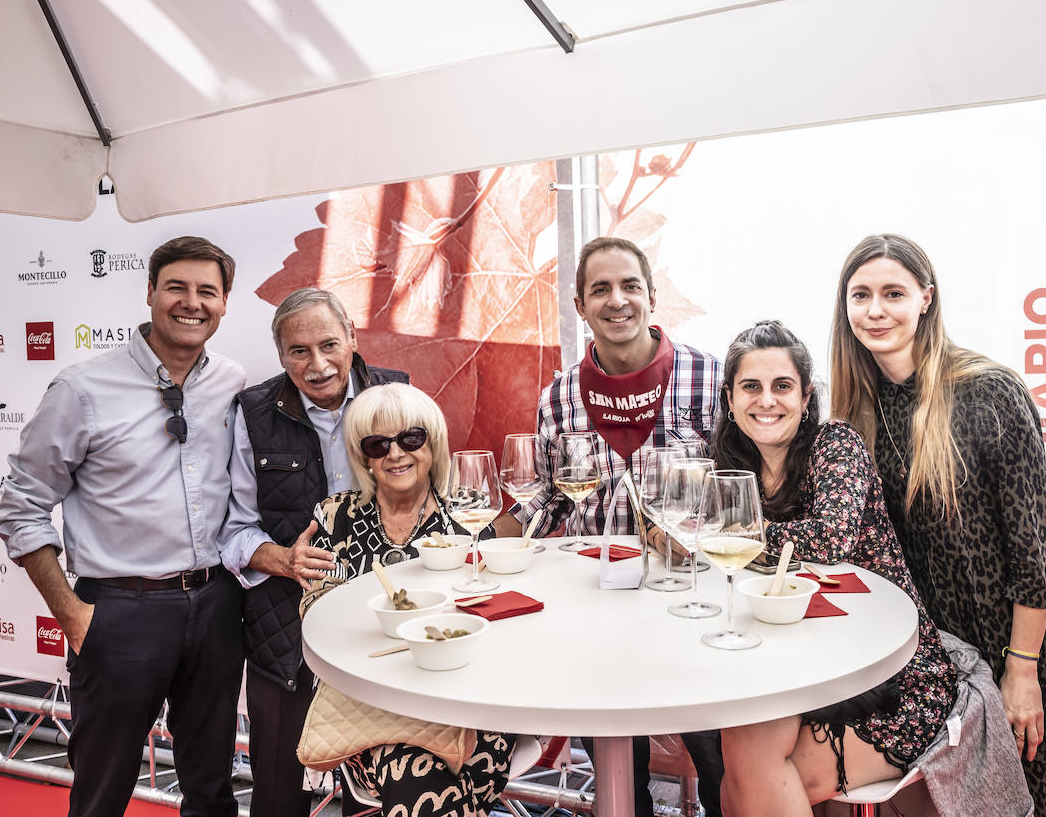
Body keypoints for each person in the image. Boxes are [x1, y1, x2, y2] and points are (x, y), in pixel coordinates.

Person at [0, 236, 246, 817]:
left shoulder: (231, 382)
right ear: (151, 293)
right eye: (176, 287)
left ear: (225, 302)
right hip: (119, 612)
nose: (191, 302)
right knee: (102, 790)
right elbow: (21, 506)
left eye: (207, 290)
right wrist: (73, 615)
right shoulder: (82, 388)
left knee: (212, 786)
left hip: (215, 606)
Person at [830, 233, 1046, 816]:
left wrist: (1021, 671)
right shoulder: (852, 409)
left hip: (1000, 653)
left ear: (926, 298)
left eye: (893, 293)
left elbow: (1034, 561)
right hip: (916, 670)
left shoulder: (990, 393)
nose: (876, 310)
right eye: (860, 295)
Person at [498, 236, 725, 817]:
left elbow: (737, 490)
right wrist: (490, 536)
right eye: (601, 288)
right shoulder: (559, 399)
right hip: (596, 607)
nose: (617, 300)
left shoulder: (709, 378)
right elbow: (546, 501)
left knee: (720, 761)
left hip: (690, 605)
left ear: (652, 297)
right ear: (580, 304)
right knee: (619, 774)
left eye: (630, 286)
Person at [711, 321, 959, 815]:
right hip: (788, 661)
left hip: (883, 669)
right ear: (730, 399)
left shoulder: (835, 443)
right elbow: (694, 541)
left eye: (782, 386)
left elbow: (829, 541)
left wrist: (721, 539)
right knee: (738, 757)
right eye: (751, 387)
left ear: (805, 398)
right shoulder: (729, 467)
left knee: (750, 774)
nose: (767, 401)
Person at [219, 288, 408, 817]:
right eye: (298, 351)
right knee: (279, 796)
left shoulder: (398, 396)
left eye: (329, 344)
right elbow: (232, 530)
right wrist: (282, 559)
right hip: (283, 638)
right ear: (281, 356)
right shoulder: (252, 413)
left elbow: (435, 500)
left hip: (383, 633)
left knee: (381, 796)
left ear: (352, 336)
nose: (318, 364)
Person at [296, 382, 515, 816]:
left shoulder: (470, 512)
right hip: (373, 707)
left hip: (466, 703)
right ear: (364, 457)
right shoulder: (335, 516)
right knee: (414, 774)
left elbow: (496, 607)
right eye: (378, 444)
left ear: (433, 443)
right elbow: (315, 613)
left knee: (438, 784)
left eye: (411, 438)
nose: (396, 453)